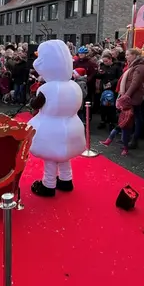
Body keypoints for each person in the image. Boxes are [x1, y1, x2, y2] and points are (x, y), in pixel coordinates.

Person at [28, 40, 85, 197]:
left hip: (50, 130)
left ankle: (48, 184)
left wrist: (33, 96)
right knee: (64, 157)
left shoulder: (47, 88)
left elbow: (35, 104)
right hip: (72, 126)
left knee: (51, 160)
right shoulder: (74, 86)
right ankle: (66, 180)